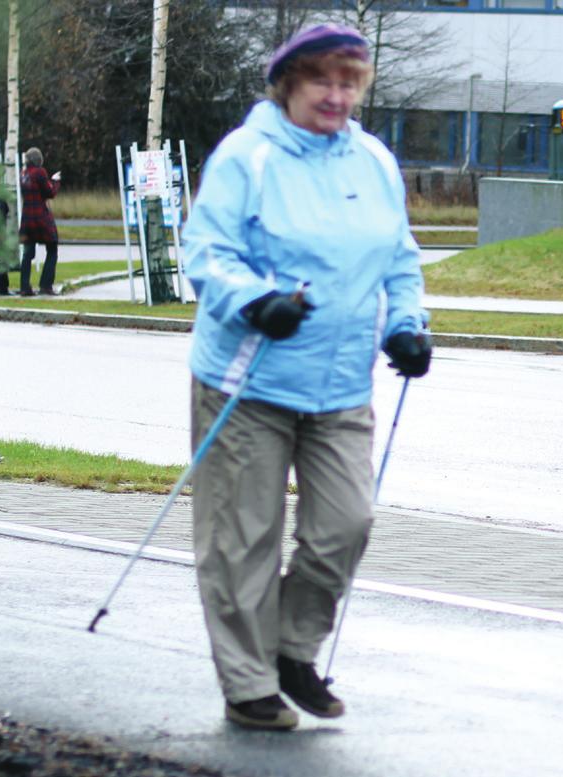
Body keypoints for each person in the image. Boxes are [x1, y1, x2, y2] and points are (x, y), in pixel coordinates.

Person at [182, 23, 432, 732]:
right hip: (247, 379)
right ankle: (248, 682)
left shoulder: (374, 161)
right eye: (321, 80)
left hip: (341, 383)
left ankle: (291, 649)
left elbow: (397, 258)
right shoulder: (247, 157)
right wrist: (255, 301)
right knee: (242, 538)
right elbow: (207, 250)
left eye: (349, 82)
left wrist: (407, 327)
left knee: (345, 523)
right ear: (287, 83)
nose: (336, 95)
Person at [19, 147, 61, 296]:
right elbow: (49, 193)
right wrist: (55, 181)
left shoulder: (23, 174)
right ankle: (45, 285)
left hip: (27, 218)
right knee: (52, 248)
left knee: (27, 254)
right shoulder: (40, 172)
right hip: (40, 218)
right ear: (39, 160)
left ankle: (24, 287)